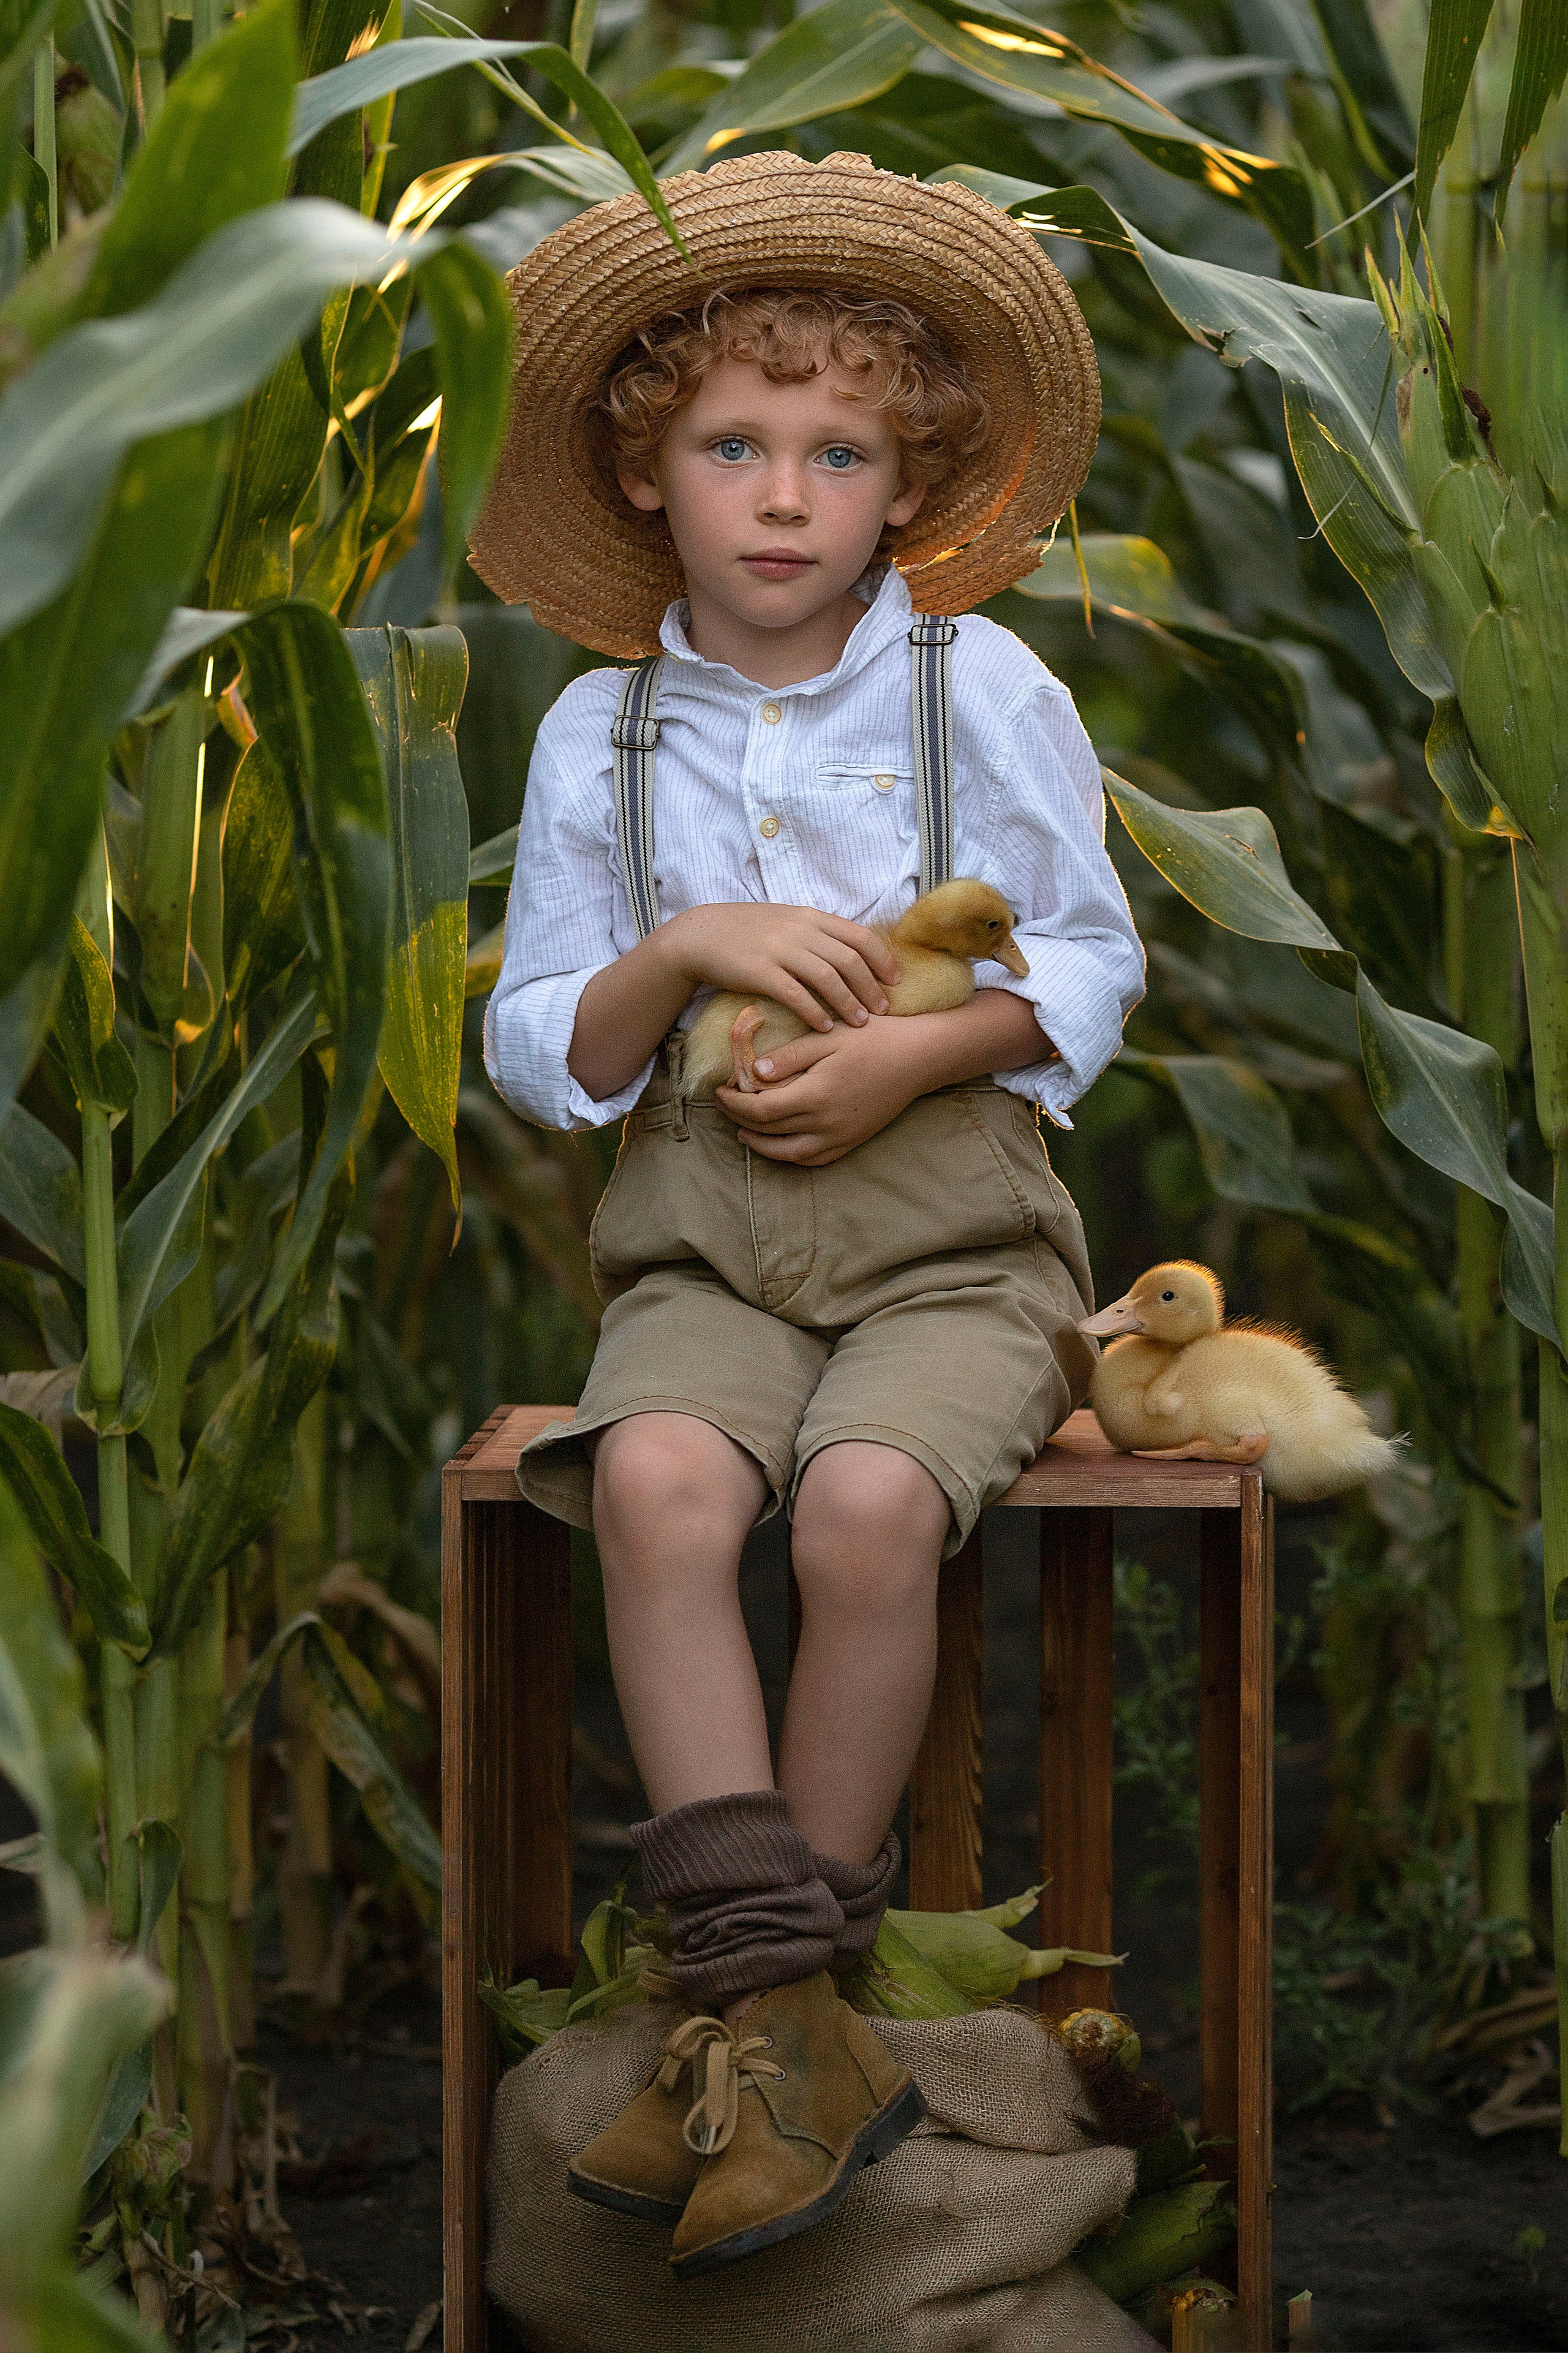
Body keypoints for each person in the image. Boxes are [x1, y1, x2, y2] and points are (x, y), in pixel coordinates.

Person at [470, 149, 1145, 2282]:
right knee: (661, 1478)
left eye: (839, 451)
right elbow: (542, 1042)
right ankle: (786, 2017)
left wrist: (907, 1055)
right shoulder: (607, 728)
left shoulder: (985, 692)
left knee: (864, 1512)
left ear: (902, 485)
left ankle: (767, 2032)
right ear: (650, 476)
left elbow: (1094, 962)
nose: (784, 492)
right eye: (734, 445)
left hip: (949, 1236)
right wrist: (698, 950)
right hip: (702, 1241)